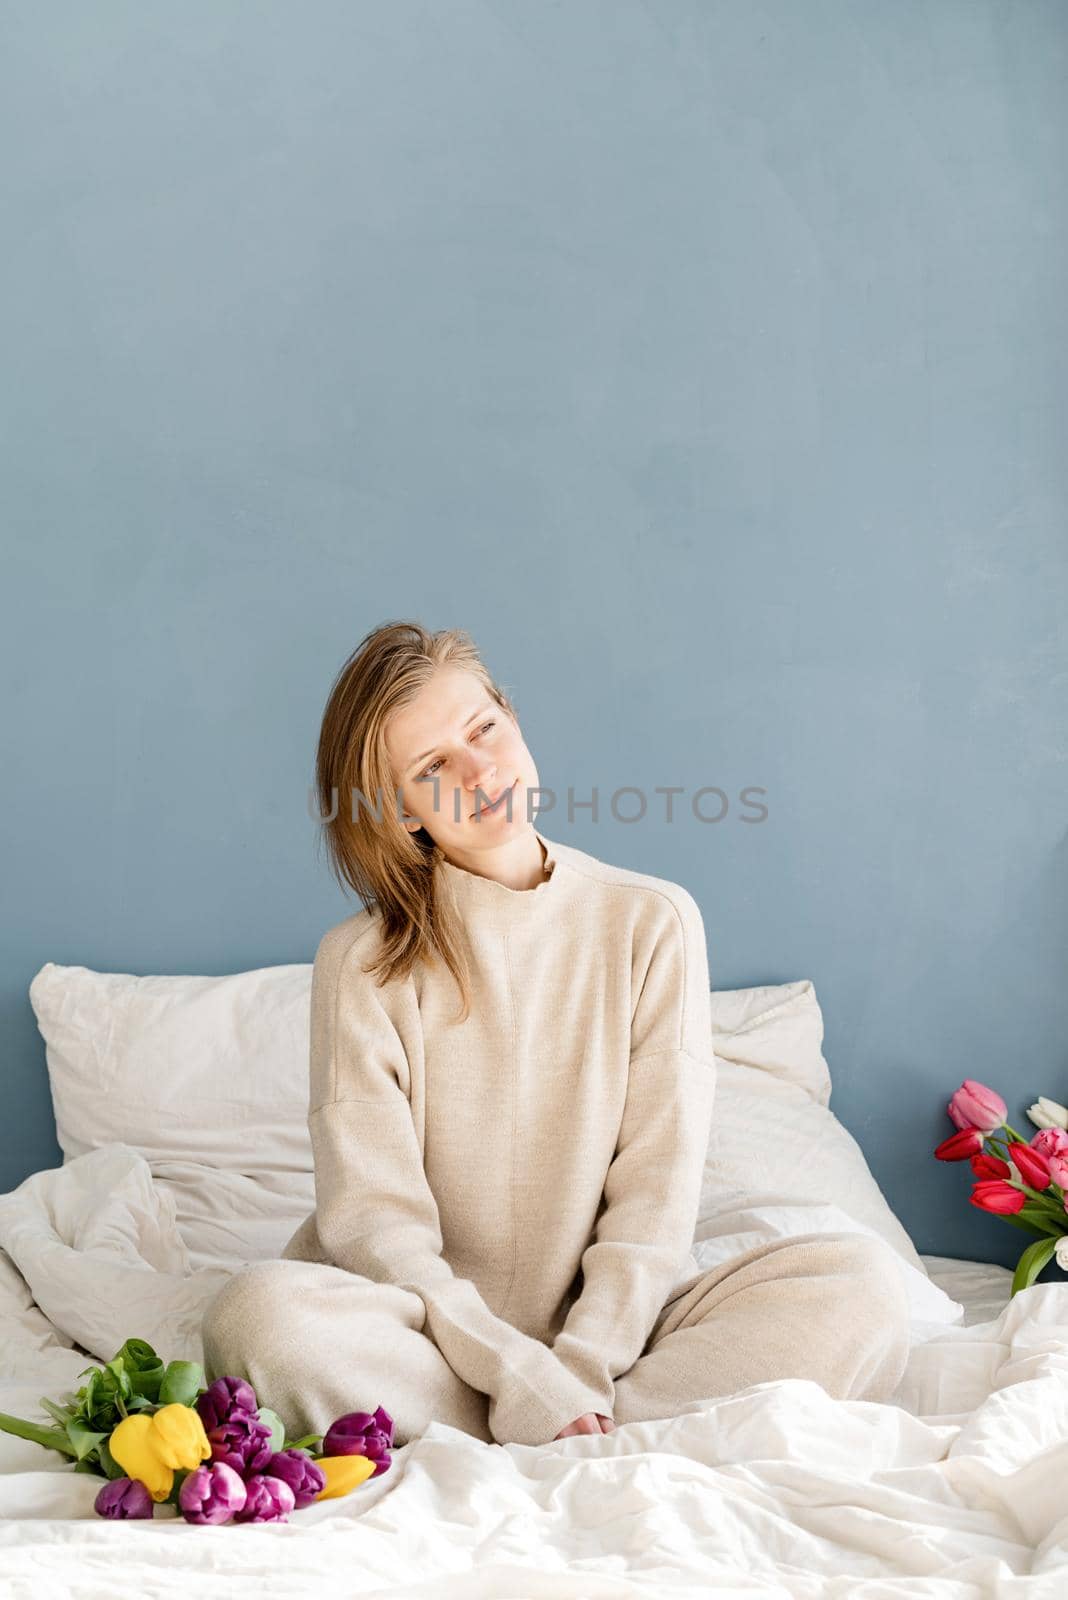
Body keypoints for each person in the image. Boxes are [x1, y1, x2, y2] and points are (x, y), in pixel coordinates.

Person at [200, 620, 911, 1449]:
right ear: (400, 809)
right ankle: (574, 1429)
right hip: (424, 1337)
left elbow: (653, 1200)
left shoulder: (653, 920)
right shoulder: (357, 963)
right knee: (257, 1318)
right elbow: (375, 1228)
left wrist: (578, 1364)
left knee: (861, 1286)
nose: (478, 772)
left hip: (615, 1339)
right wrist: (516, 1373)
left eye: (483, 729)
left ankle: (569, 1422)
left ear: (512, 716)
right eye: (433, 768)